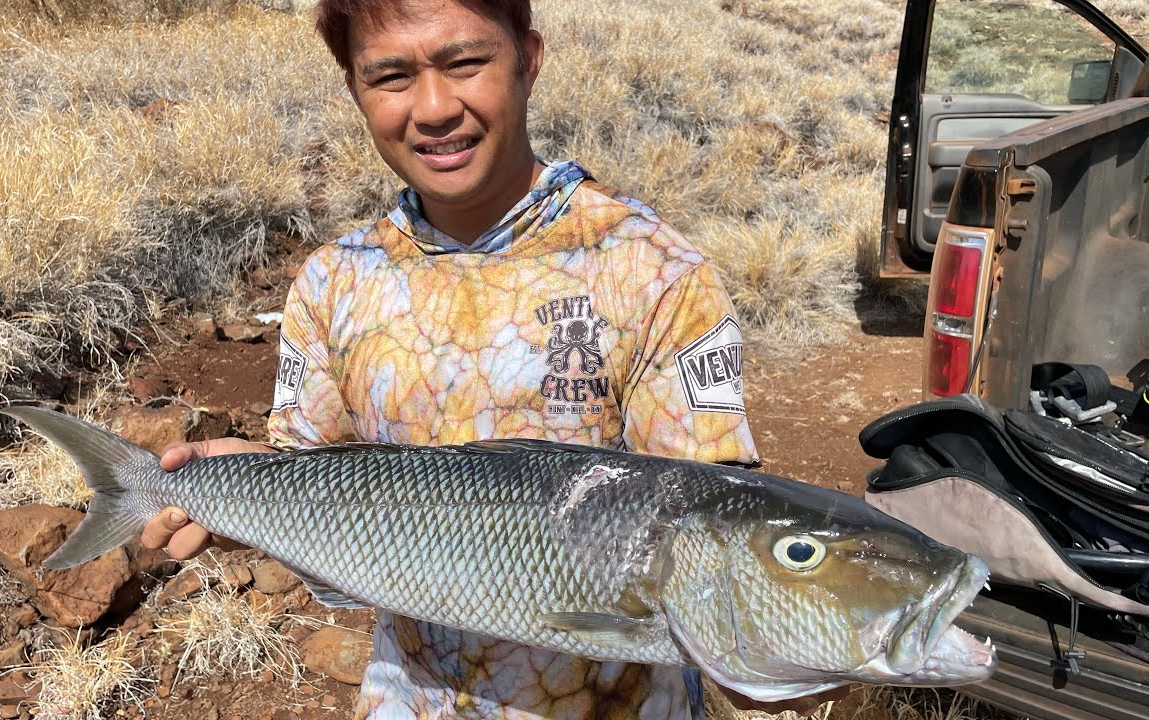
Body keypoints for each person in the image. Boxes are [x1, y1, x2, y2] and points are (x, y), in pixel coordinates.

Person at [141, 0, 848, 717]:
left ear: (529, 59)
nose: (435, 107)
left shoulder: (656, 271)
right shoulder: (332, 281)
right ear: (355, 90)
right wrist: (241, 481)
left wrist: (778, 640)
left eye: (464, 63)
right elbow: (311, 471)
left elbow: (714, 536)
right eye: (391, 76)